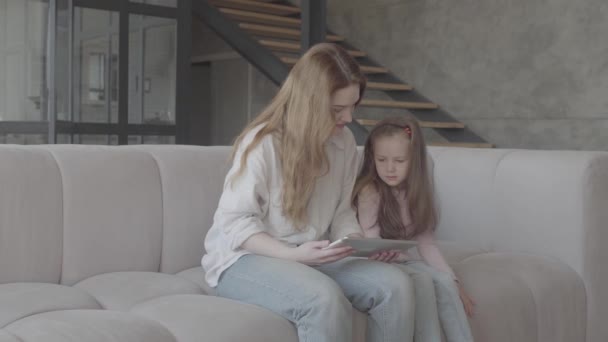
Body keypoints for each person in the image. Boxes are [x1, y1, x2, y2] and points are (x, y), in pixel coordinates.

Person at [202, 43, 415, 342]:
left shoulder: (343, 144)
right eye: (338, 109)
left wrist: (359, 245)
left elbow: (342, 212)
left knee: (395, 286)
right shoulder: (263, 144)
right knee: (323, 299)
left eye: (353, 106)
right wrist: (292, 255)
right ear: (309, 103)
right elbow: (235, 224)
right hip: (244, 258)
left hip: (311, 252)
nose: (349, 118)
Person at [352, 117, 475, 342]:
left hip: (404, 260)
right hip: (379, 261)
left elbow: (426, 243)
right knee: (423, 282)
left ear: (414, 161)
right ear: (372, 159)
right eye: (382, 160)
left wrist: (454, 281)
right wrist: (381, 253)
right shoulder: (370, 191)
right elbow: (370, 237)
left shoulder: (417, 191)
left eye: (399, 160)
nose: (390, 168)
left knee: (446, 282)